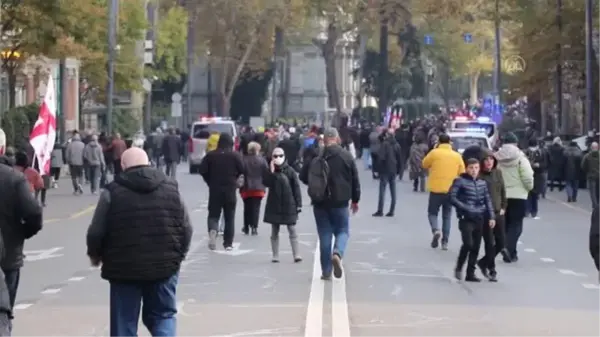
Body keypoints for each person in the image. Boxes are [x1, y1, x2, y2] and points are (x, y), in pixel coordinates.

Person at [86, 147, 193, 337]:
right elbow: (186, 227)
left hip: (123, 268)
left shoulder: (112, 191)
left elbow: (96, 230)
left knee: (124, 322)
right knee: (163, 315)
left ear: (123, 165)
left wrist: (96, 255)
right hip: (165, 266)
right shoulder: (171, 187)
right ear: (149, 162)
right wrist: (179, 255)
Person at [300, 128, 360, 280]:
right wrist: (355, 199)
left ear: (324, 139)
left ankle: (326, 271)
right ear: (337, 139)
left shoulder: (316, 155)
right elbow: (355, 180)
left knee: (324, 234)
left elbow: (303, 176)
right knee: (343, 230)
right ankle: (338, 253)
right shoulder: (346, 156)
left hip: (320, 201)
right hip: (340, 201)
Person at [0, 134, 43, 327]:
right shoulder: (14, 178)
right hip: (8, 255)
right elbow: (34, 212)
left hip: (10, 252)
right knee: (4, 311)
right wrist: (23, 233)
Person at [450, 158, 495, 282]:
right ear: (466, 168)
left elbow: (488, 200)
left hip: (479, 217)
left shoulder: (482, 183)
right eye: (471, 168)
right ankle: (459, 266)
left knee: (476, 247)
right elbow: (452, 197)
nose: (474, 171)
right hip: (466, 218)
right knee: (468, 243)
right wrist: (465, 207)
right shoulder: (460, 181)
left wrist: (491, 216)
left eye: (476, 168)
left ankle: (470, 273)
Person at [199, 133, 245, 250]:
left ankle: (213, 231)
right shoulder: (235, 156)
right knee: (229, 216)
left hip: (215, 189)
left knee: (214, 215)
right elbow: (243, 169)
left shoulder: (211, 156)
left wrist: (209, 180)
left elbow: (202, 170)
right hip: (230, 189)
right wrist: (235, 179)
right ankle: (228, 243)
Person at [495, 132, 534, 263]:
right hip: (519, 195)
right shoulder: (521, 159)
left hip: (502, 196)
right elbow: (528, 176)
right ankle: (508, 247)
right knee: (516, 225)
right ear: (516, 143)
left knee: (505, 224)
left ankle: (511, 252)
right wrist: (528, 188)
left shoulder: (497, 158)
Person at [422, 133, 465, 250]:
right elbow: (462, 171)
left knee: (432, 213)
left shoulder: (434, 153)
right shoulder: (456, 156)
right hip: (451, 190)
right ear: (450, 142)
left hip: (436, 189)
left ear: (439, 142)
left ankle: (436, 230)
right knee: (447, 216)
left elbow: (424, 164)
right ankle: (445, 242)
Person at [263, 147, 303, 263]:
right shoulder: (270, 170)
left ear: (284, 156)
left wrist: (298, 204)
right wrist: (270, 172)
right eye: (275, 156)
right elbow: (266, 183)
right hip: (274, 204)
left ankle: (297, 254)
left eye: (280, 155)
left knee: (292, 229)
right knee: (274, 230)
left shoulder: (290, 171)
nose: (278, 158)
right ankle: (275, 255)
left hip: (288, 204)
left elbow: (296, 188)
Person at [477, 149, 507, 282]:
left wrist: (503, 207)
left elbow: (503, 191)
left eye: (491, 159)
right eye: (486, 160)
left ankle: (483, 262)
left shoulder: (498, 173)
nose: (489, 162)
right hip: (485, 214)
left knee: (501, 242)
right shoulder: (479, 176)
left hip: (498, 212)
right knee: (489, 242)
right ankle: (491, 269)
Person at [240, 142, 268, 235]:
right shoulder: (262, 160)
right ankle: (254, 227)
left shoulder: (243, 160)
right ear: (257, 149)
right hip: (259, 188)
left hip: (246, 187)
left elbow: (240, 172)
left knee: (247, 208)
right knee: (256, 208)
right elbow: (266, 173)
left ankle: (246, 226)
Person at [373, 129, 402, 217]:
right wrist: (399, 170)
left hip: (385, 169)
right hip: (393, 169)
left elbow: (381, 157)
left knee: (382, 190)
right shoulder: (397, 145)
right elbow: (399, 158)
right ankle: (392, 210)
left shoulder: (385, 144)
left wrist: (377, 170)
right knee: (393, 190)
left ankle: (380, 210)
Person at [524, 139, 547, 219]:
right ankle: (528, 211)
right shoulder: (525, 153)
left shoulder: (541, 153)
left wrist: (539, 165)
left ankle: (533, 211)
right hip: (528, 175)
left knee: (534, 194)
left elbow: (545, 164)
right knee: (528, 194)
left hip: (537, 175)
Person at [582, 142, 600, 208]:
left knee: (592, 192)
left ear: (591, 148)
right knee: (598, 191)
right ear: (598, 147)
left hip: (591, 176)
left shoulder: (587, 156)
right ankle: (598, 204)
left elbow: (583, 166)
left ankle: (595, 205)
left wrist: (587, 171)